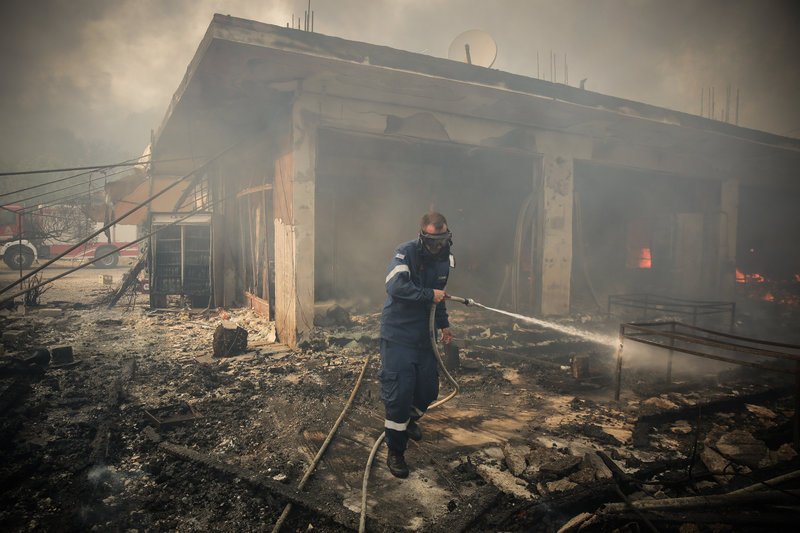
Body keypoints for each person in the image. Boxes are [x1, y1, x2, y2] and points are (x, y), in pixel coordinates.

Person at [379, 211, 454, 478]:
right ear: (422, 236)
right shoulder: (405, 252)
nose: (437, 246)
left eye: (442, 240)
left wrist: (443, 324)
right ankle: (396, 452)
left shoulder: (445, 260)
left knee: (428, 390)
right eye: (433, 241)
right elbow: (395, 287)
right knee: (398, 396)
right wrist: (427, 294)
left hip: (424, 337)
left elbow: (439, 296)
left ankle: (410, 420)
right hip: (399, 335)